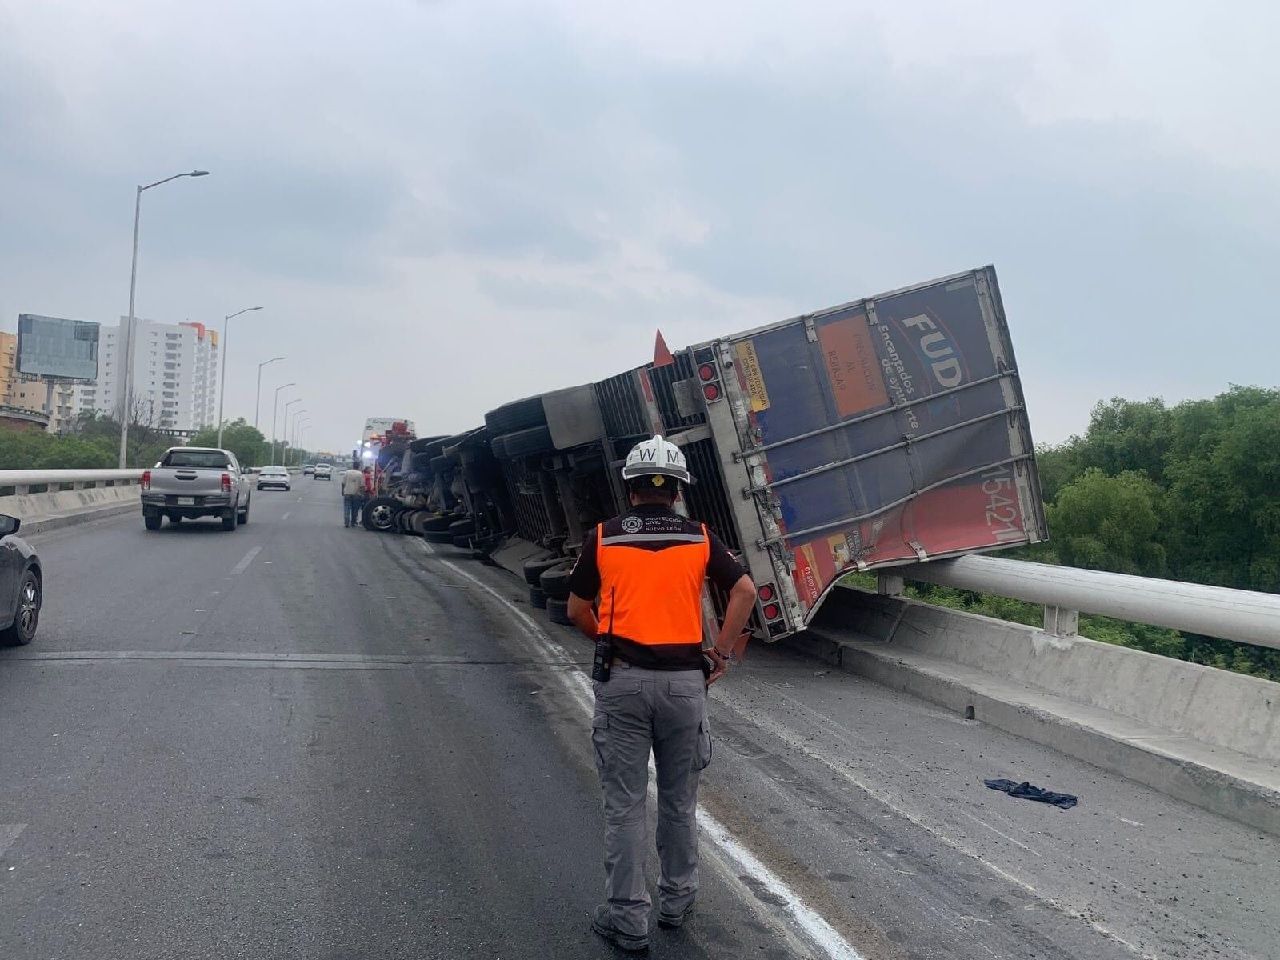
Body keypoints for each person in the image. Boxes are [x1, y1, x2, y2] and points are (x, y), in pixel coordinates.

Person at [567, 434, 757, 952]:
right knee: (679, 800)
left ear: (630, 488)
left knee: (624, 805)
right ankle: (676, 900)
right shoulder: (700, 537)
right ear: (676, 490)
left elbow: (577, 610)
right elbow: (744, 591)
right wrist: (718, 654)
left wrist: (608, 642)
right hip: (683, 686)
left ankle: (628, 919)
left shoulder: (603, 537)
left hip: (622, 683)